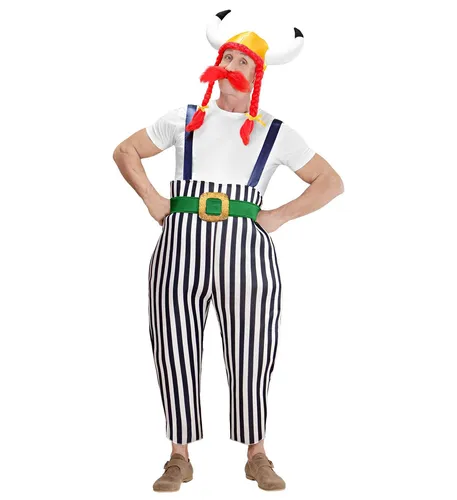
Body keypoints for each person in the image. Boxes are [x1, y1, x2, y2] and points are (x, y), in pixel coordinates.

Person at [112, 9, 344, 493]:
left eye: (243, 62)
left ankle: (256, 454)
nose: (232, 66)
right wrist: (153, 199)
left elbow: (330, 181)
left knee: (253, 347)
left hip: (247, 253)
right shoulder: (183, 118)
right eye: (228, 57)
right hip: (179, 246)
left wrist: (278, 215)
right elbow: (125, 151)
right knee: (173, 345)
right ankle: (179, 456)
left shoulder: (276, 132)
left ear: (258, 75)